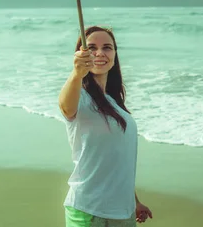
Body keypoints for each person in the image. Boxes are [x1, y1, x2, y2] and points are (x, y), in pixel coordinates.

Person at [58, 26, 153, 227]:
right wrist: (76, 73)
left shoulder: (114, 102)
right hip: (90, 211)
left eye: (107, 47)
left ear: (115, 54)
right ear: (81, 53)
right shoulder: (80, 96)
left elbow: (117, 159)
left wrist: (134, 201)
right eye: (91, 47)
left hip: (123, 212)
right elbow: (66, 107)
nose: (100, 53)